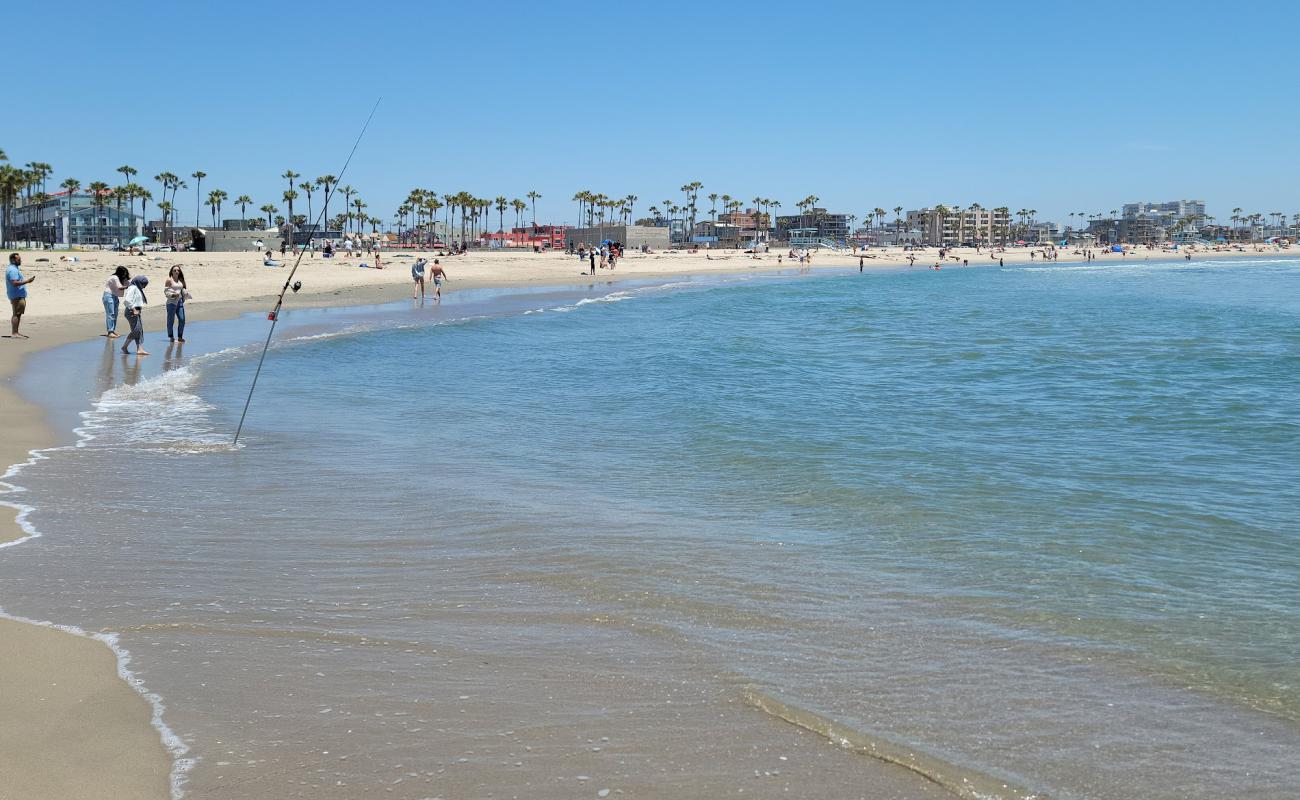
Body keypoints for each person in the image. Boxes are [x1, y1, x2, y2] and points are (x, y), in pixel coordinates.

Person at [6, 253, 35, 339]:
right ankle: (14, 333)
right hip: (16, 295)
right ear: (13, 260)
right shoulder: (13, 270)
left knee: (17, 314)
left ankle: (15, 332)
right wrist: (27, 281)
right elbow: (14, 283)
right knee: (16, 314)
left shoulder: (14, 269)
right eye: (18, 259)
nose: (20, 261)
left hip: (16, 294)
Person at [121, 275, 150, 356]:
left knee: (139, 330)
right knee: (136, 330)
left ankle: (139, 349)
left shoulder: (136, 288)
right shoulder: (132, 288)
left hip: (136, 311)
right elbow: (127, 301)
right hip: (131, 311)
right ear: (138, 282)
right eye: (143, 284)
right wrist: (134, 310)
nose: (144, 287)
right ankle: (124, 346)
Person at [164, 266, 191, 342]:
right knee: (171, 320)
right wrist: (172, 295)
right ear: (171, 272)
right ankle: (171, 337)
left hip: (180, 302)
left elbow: (182, 289)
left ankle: (180, 336)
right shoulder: (169, 280)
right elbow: (166, 291)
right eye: (174, 270)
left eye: (178, 270)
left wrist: (185, 294)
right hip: (171, 303)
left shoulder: (180, 281)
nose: (176, 271)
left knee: (182, 319)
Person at [103, 266, 130, 338]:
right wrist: (128, 286)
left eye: (125, 273)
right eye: (123, 273)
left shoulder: (122, 278)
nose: (124, 275)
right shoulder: (114, 277)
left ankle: (112, 331)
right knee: (110, 314)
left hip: (115, 296)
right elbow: (120, 287)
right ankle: (110, 332)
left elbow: (129, 283)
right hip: (108, 296)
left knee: (115, 315)